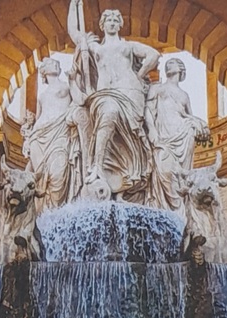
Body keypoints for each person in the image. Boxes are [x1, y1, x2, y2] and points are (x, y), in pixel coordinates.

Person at [67, 0, 160, 203]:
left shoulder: (128, 46)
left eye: (115, 20)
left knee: (112, 115)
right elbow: (75, 33)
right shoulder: (94, 48)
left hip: (129, 93)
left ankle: (110, 173)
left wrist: (139, 75)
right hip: (106, 94)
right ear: (102, 25)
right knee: (109, 113)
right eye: (107, 19)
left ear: (119, 25)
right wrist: (74, 4)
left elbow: (154, 54)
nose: (111, 22)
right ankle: (98, 167)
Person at [146, 58, 210, 209]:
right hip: (163, 136)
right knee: (162, 167)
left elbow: (190, 115)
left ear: (181, 68)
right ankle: (163, 205)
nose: (169, 64)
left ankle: (180, 206)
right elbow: (148, 110)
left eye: (173, 62)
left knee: (182, 174)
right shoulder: (157, 88)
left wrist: (198, 124)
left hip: (183, 135)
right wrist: (152, 130)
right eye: (168, 64)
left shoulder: (184, 95)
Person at [21, 57, 83, 212]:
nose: (56, 63)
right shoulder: (42, 95)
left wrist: (75, 78)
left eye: (57, 63)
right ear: (43, 71)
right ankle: (42, 213)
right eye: (50, 63)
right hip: (39, 136)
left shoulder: (68, 85)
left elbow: (80, 100)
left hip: (61, 132)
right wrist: (28, 140)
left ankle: (55, 214)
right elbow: (38, 117)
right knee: (40, 176)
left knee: (58, 174)